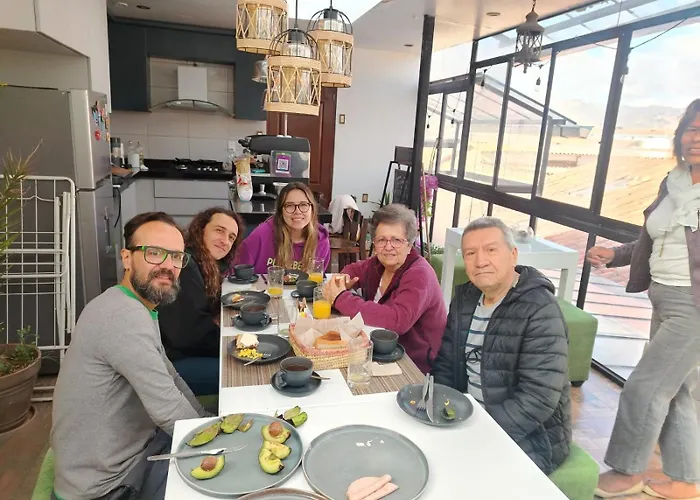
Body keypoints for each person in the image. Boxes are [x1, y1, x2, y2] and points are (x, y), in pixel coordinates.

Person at [50, 212, 209, 500]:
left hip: (134, 451)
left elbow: (170, 376)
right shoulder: (123, 316)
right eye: (154, 253)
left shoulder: (135, 305)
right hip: (109, 485)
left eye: (176, 256)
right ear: (127, 258)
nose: (168, 265)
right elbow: (168, 409)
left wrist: (206, 419)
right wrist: (216, 442)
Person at [587, 100, 700, 499]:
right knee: (678, 390)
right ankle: (686, 481)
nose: (695, 138)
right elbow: (655, 240)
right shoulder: (675, 182)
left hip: (694, 305)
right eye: (691, 129)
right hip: (664, 296)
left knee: (645, 387)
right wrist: (615, 254)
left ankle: (626, 471)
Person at [431, 216, 571, 474]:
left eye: (491, 250)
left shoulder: (540, 309)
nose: (480, 261)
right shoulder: (465, 297)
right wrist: (441, 409)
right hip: (467, 418)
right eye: (470, 253)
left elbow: (538, 398)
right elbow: (446, 364)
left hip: (527, 438)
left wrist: (478, 431)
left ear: (513, 254)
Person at [323, 204, 447, 374]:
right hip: (382, 352)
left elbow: (397, 320)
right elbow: (354, 269)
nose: (388, 247)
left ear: (409, 244)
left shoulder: (419, 274)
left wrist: (341, 298)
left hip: (416, 366)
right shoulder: (379, 263)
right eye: (381, 240)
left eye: (396, 240)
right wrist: (343, 280)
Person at [158, 207, 243, 396]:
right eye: (219, 230)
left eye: (231, 237)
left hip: (186, 349)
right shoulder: (186, 266)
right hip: (173, 362)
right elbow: (191, 334)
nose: (225, 241)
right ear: (201, 229)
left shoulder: (204, 263)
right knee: (243, 371)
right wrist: (236, 343)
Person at [231, 182, 330, 274]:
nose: (297, 211)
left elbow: (318, 280)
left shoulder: (321, 240)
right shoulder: (260, 236)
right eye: (289, 205)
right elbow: (236, 274)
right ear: (280, 212)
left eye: (304, 205)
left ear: (312, 209)